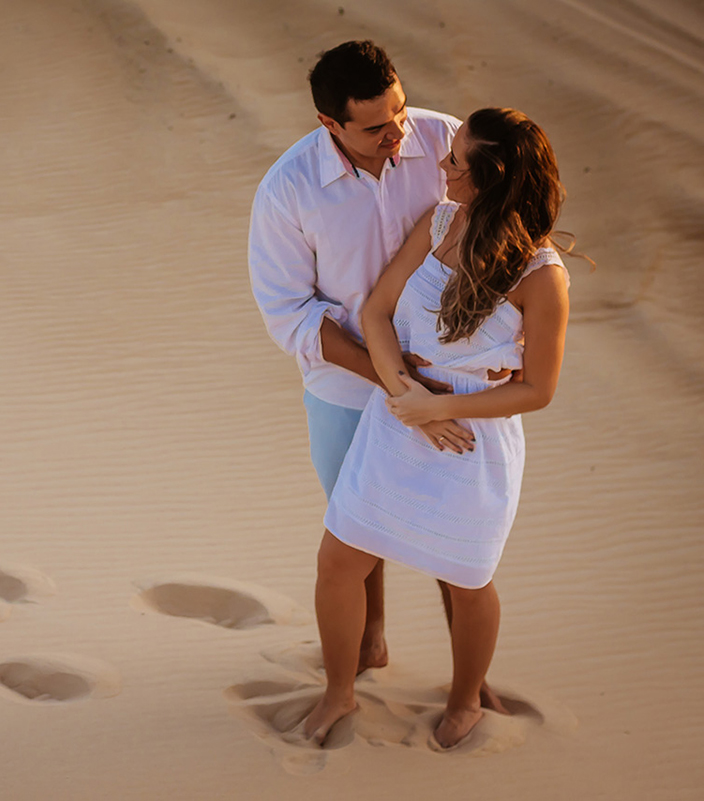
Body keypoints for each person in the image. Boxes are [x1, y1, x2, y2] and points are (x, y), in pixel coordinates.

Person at [301, 108, 573, 749]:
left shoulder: (542, 276)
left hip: (473, 441)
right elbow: (375, 310)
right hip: (398, 417)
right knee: (338, 561)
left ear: (492, 176)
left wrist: (440, 412)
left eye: (456, 161)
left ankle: (464, 700)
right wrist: (406, 396)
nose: (441, 167)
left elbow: (538, 389)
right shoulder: (441, 219)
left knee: (468, 580)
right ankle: (340, 693)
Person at [248, 41, 504, 697]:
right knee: (359, 526)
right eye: (374, 127)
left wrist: (503, 352)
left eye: (399, 111)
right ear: (329, 124)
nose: (398, 134)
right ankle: (369, 641)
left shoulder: (444, 139)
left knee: (458, 535)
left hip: (454, 384)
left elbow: (505, 234)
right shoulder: (288, 190)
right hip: (343, 389)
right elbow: (291, 315)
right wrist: (393, 380)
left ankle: (468, 677)